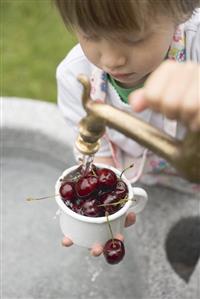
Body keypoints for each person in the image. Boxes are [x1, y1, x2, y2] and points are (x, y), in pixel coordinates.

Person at [54, 0, 200, 256]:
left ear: (183, 11)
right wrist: (105, 209)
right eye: (90, 34)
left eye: (134, 39)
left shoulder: (195, 50)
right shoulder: (76, 76)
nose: (112, 60)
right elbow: (95, 152)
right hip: (144, 181)